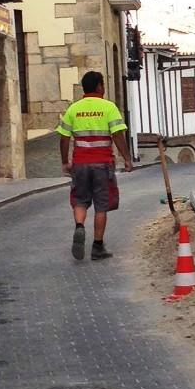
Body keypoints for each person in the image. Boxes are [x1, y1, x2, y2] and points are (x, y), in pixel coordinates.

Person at [57, 71, 133, 261]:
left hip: (80, 164)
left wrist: (65, 161)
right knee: (101, 205)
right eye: (103, 84)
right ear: (99, 86)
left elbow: (64, 138)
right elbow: (117, 135)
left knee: (80, 200)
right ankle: (98, 247)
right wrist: (127, 158)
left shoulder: (73, 109)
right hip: (102, 164)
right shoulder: (109, 107)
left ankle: (79, 226)